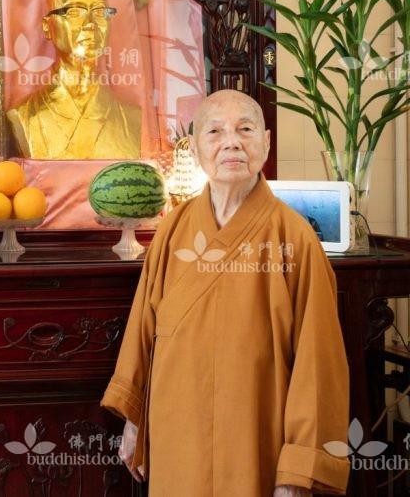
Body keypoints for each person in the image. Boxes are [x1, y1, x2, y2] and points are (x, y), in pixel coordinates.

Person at [101, 89, 350, 496]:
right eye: (215, 131)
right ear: (197, 147)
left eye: (245, 129)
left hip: (256, 434)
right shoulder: (173, 230)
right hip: (178, 429)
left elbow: (318, 365)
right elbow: (143, 331)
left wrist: (298, 472)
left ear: (265, 142)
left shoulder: (295, 238)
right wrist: (133, 420)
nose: (231, 141)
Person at [7, 0, 142, 159]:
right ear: (47, 27)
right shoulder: (24, 116)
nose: (90, 24)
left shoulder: (132, 117)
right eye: (74, 12)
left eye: (99, 12)